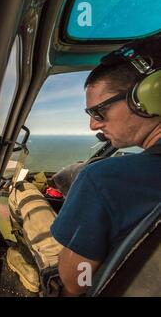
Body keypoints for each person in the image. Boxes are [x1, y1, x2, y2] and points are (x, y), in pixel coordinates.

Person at [50, 34, 161, 296]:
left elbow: (78, 281)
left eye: (99, 112)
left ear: (150, 96)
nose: (94, 125)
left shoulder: (101, 179)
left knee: (28, 204)